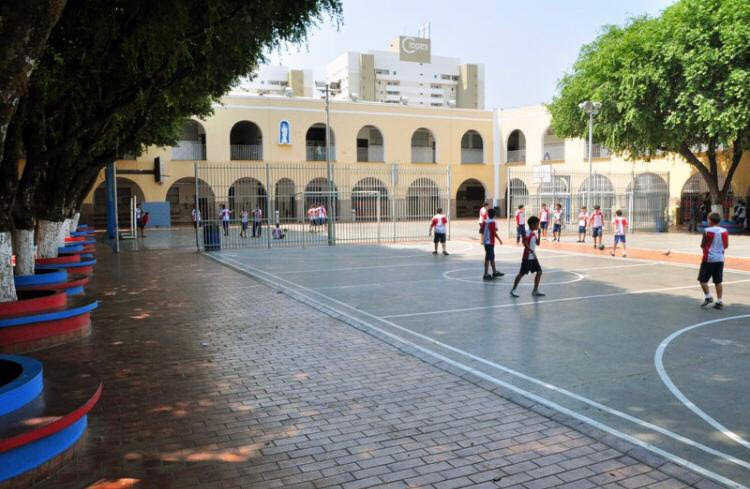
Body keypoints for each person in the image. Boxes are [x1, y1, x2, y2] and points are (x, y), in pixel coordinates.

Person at [699, 213, 728, 309]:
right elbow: (726, 245)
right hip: (720, 258)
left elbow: (702, 245)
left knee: (702, 279)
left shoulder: (707, 231)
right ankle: (719, 301)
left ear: (710, 220)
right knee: (718, 281)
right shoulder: (724, 231)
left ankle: (708, 296)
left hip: (709, 258)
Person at [510, 215, 544, 298]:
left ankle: (535, 290)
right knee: (522, 273)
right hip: (527, 257)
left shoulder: (533, 233)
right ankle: (513, 290)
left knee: (539, 272)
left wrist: (539, 234)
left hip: (533, 257)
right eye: (537, 224)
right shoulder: (527, 233)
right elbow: (524, 242)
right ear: (532, 224)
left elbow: (538, 243)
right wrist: (531, 250)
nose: (538, 225)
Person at [480, 208, 504, 280]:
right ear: (494, 215)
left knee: (490, 257)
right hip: (490, 242)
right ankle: (486, 274)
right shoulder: (492, 222)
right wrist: (499, 239)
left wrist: (484, 236)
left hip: (486, 242)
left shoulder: (485, 221)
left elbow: (480, 231)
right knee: (489, 258)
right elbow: (494, 232)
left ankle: (494, 272)